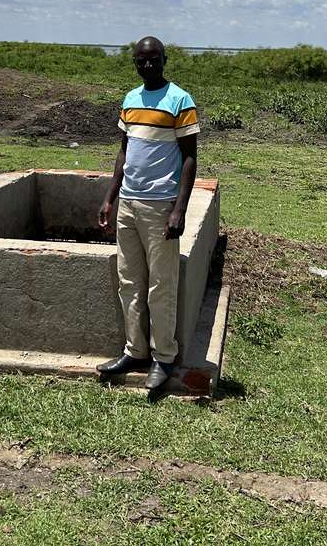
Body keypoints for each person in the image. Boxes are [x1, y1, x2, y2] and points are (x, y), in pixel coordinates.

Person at [96, 36, 199, 389]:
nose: (148, 65)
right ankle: (135, 351)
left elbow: (189, 158)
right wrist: (110, 198)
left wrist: (179, 210)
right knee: (130, 282)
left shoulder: (179, 100)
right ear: (135, 63)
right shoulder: (130, 99)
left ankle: (164, 357)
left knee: (161, 285)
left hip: (160, 206)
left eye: (154, 59)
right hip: (128, 203)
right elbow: (124, 153)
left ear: (165, 59)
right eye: (142, 60)